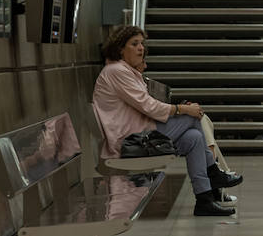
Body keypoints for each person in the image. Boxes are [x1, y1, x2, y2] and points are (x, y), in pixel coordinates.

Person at [93, 26, 243, 217]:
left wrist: (180, 110)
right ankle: (213, 173)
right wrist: (182, 110)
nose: (141, 48)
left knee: (194, 137)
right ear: (120, 48)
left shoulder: (125, 71)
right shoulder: (116, 71)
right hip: (130, 143)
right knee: (192, 116)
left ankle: (204, 199)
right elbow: (148, 106)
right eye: (134, 44)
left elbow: (146, 107)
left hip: (140, 136)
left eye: (142, 44)